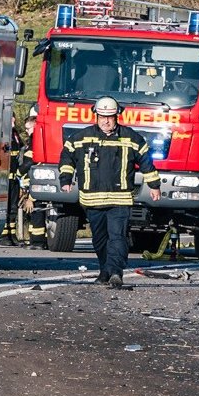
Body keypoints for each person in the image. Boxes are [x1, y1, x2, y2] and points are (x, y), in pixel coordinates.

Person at [62, 96, 153, 289]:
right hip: (92, 200)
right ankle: (105, 271)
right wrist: (65, 179)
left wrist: (154, 185)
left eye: (110, 117)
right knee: (99, 239)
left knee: (117, 237)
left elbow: (146, 161)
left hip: (120, 199)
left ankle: (116, 273)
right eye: (102, 117)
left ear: (117, 116)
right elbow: (67, 157)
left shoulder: (131, 138)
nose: (106, 121)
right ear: (96, 116)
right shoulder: (81, 138)